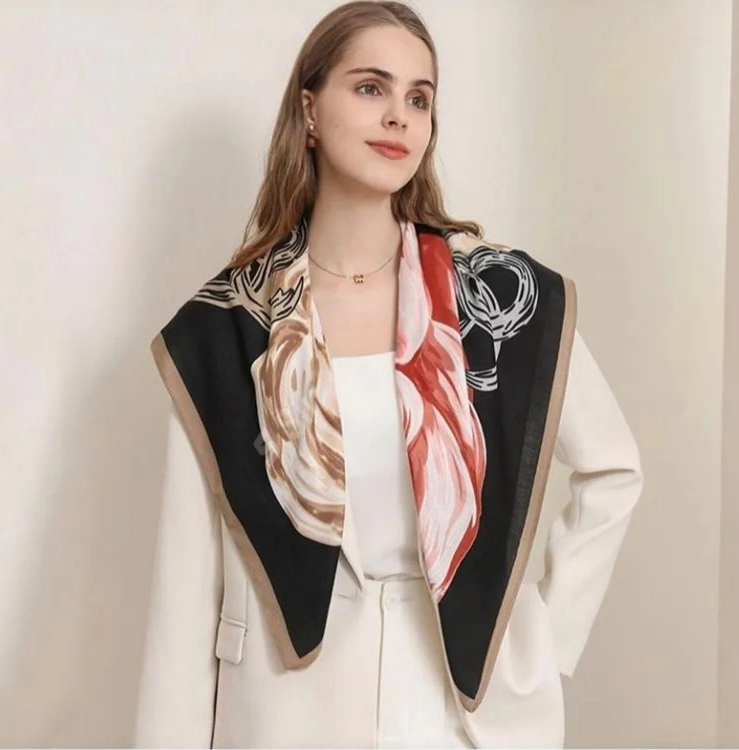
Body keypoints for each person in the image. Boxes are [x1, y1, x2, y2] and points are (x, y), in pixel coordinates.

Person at [134, 1, 644, 748]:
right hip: (287, 711)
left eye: (419, 98)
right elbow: (185, 590)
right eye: (370, 88)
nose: (399, 116)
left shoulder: (496, 300)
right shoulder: (225, 328)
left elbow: (613, 469)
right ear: (310, 108)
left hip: (458, 710)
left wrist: (542, 637)